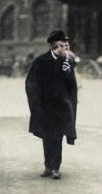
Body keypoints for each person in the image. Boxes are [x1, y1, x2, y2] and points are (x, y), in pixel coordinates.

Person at [25, 30, 78, 180]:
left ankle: (55, 168)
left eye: (65, 46)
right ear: (54, 45)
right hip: (45, 107)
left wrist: (68, 73)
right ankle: (48, 166)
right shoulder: (40, 61)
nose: (64, 49)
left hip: (61, 108)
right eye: (61, 46)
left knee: (57, 138)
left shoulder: (66, 62)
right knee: (47, 138)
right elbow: (30, 82)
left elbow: (71, 85)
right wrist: (36, 102)